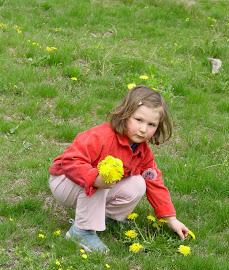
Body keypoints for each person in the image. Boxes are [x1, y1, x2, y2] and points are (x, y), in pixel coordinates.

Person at [49, 85, 189, 252]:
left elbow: (154, 182)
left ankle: (104, 219)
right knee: (105, 178)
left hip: (91, 187)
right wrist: (95, 178)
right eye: (138, 120)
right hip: (64, 182)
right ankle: (81, 231)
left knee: (138, 184)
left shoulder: (142, 152)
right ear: (125, 115)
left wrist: (170, 218)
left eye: (151, 124)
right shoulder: (101, 136)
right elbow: (70, 161)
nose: (144, 129)